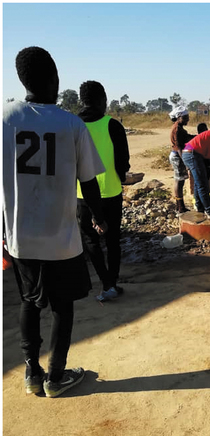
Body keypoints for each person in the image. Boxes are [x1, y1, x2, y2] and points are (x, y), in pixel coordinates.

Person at [3, 46, 107, 397]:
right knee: (63, 307)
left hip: (21, 238)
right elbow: (89, 182)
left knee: (29, 302)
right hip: (62, 238)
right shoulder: (70, 124)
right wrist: (98, 217)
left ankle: (31, 372)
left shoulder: (4, 120)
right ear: (53, 79)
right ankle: (56, 376)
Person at [76, 81, 130, 302]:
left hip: (81, 195)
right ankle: (112, 282)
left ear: (82, 100)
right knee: (113, 240)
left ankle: (105, 282)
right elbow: (122, 161)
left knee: (91, 241)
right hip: (111, 192)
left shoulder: (73, 125)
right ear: (102, 100)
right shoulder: (112, 125)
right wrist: (123, 175)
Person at [169, 106, 195, 214]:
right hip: (177, 156)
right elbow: (179, 147)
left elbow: (187, 137)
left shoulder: (179, 128)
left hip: (177, 155)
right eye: (185, 117)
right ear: (179, 117)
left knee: (180, 180)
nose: (187, 119)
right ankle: (180, 207)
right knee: (179, 181)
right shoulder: (177, 130)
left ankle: (179, 206)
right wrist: (185, 161)